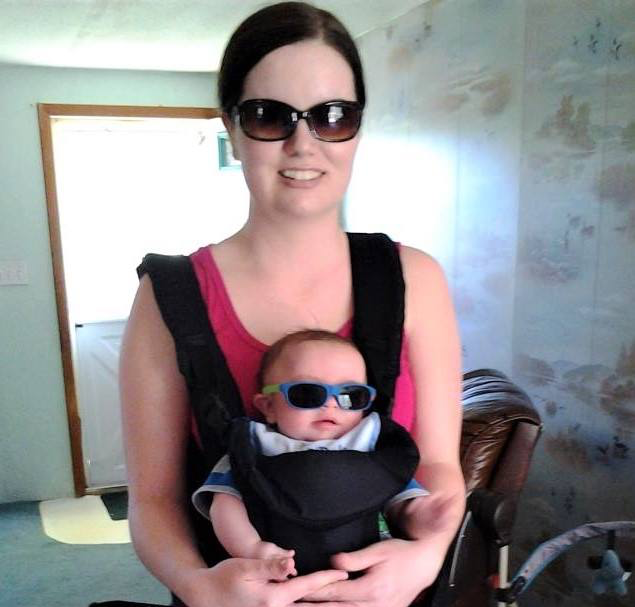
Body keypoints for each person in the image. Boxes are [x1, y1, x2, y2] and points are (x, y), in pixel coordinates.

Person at [119, 2, 466, 607]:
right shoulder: (169, 295)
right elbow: (152, 500)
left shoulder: (417, 278)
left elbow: (438, 465)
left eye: (332, 116)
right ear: (232, 130)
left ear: (356, 129)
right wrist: (200, 588)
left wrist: (427, 556)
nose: (304, 143)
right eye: (269, 116)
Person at [192, 330, 428, 575]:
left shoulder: (372, 447)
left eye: (351, 396)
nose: (331, 404)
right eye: (307, 394)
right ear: (269, 406)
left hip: (366, 570)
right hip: (277, 569)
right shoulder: (253, 449)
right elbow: (223, 505)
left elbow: (401, 499)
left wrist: (425, 516)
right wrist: (253, 548)